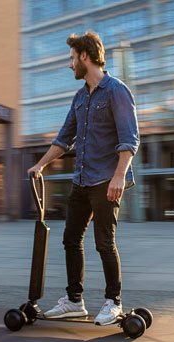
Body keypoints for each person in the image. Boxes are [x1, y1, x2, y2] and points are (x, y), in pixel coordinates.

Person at [27, 31, 140, 326]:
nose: (69, 65)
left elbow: (129, 139)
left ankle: (113, 303)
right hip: (82, 180)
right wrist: (40, 165)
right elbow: (64, 139)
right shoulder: (80, 98)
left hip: (106, 181)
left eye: (72, 59)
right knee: (70, 239)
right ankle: (75, 301)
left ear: (85, 57)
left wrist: (118, 177)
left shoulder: (117, 91)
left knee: (104, 242)